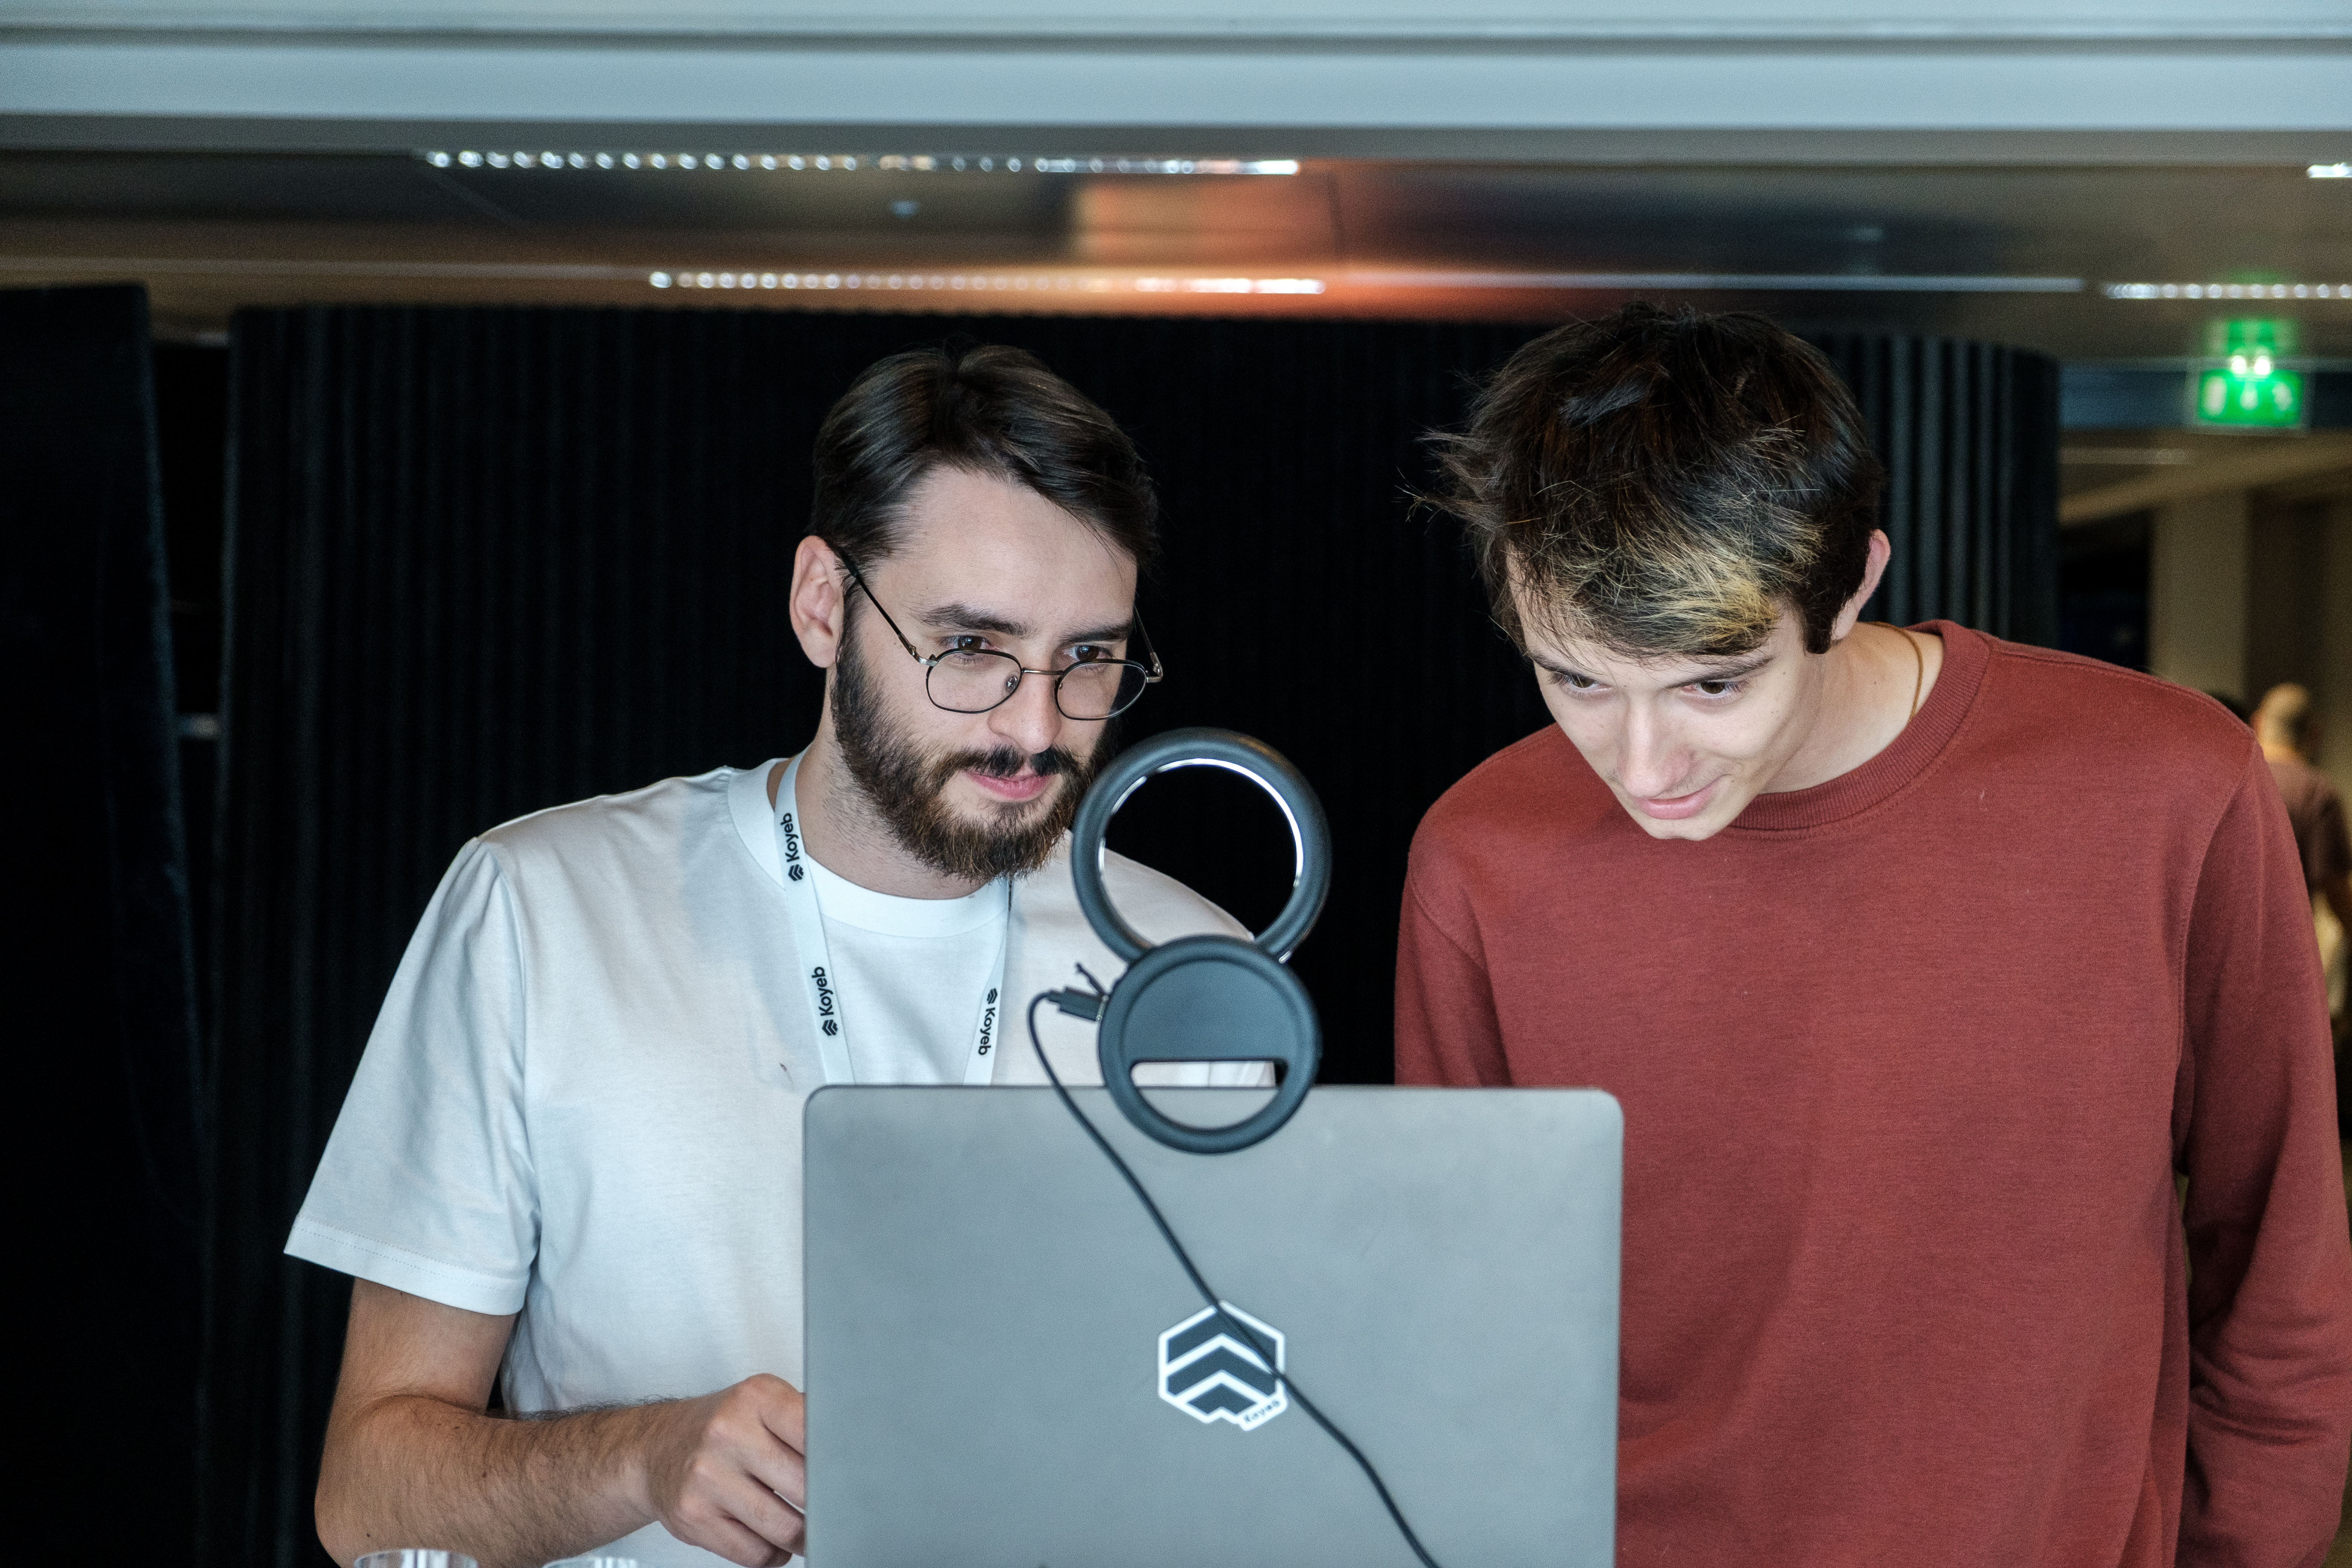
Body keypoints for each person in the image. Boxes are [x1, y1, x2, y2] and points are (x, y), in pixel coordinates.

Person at [1397, 303, 2352, 1566]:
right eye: (1577, 679)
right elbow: (1465, 1336)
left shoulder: (2174, 789)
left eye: (1713, 682)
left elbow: (2278, 1265)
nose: (1642, 763)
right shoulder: (1480, 855)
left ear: (1850, 586)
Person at [290, 342, 1266, 1568]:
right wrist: (649, 1461)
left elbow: (1255, 1450)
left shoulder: (1192, 971)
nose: (1035, 725)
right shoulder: (544, 910)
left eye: (1091, 659)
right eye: (972, 648)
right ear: (823, 603)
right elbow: (368, 1492)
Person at [2253, 683, 2352, 1027]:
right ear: (2314, 734)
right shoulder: (2318, 793)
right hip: (2285, 959)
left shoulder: (2230, 779)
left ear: (2257, 721)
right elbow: (2336, 890)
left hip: (2218, 950)